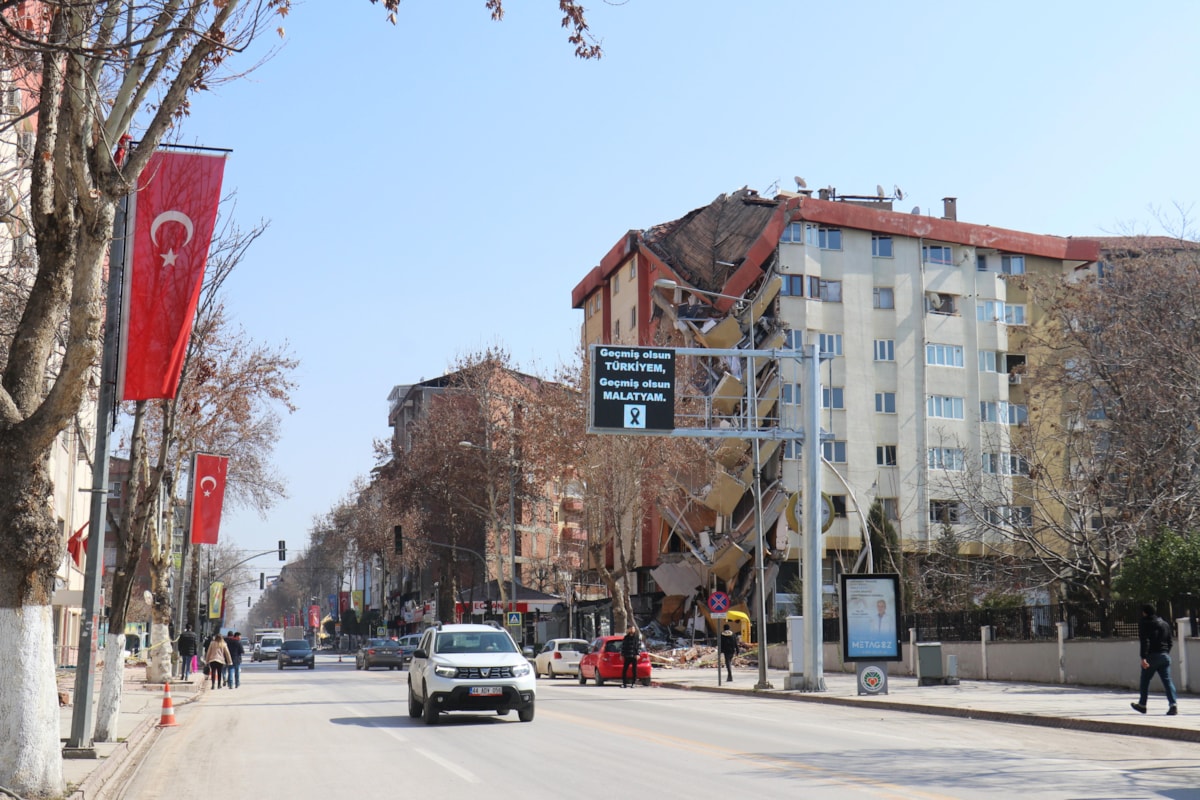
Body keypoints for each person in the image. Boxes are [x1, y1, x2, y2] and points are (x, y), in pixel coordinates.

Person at [1131, 604, 1178, 716]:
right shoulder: (1164, 623)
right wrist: (1165, 653)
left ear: (1145, 612)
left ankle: (1142, 705)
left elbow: (1145, 641)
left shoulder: (1144, 623)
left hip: (1151, 656)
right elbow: (1170, 642)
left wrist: (1143, 657)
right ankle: (1173, 705)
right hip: (1164, 656)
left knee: (1145, 680)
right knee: (1167, 681)